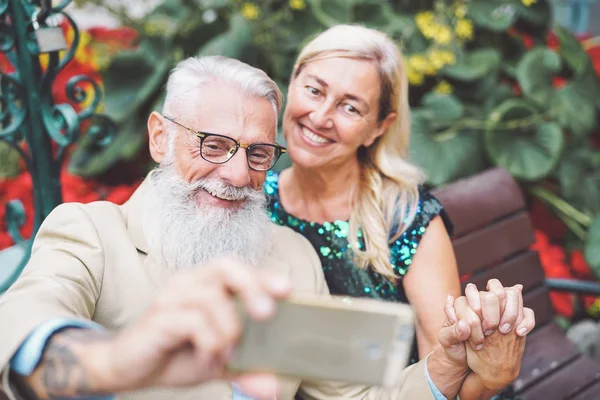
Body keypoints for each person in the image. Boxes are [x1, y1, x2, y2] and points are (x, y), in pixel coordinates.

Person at [0, 56, 533, 400]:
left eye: (258, 153)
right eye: (212, 144)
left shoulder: (293, 255)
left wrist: (448, 362)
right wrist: (117, 362)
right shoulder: (92, 233)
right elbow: (16, 333)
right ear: (160, 138)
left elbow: (355, 397)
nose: (237, 173)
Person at [264, 24, 528, 399]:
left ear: (377, 128)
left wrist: (495, 375)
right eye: (314, 90)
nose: (321, 116)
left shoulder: (405, 218)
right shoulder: (254, 198)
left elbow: (452, 380)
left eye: (350, 107)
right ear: (291, 85)